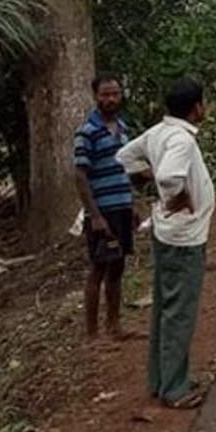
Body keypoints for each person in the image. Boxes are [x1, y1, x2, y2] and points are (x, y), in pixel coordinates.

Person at [117, 77, 215, 410]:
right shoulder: (180, 139)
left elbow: (124, 158)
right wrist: (179, 196)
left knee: (165, 307)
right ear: (196, 107)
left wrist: (149, 174)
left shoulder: (159, 132)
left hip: (168, 233)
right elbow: (170, 177)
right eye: (203, 102)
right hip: (183, 238)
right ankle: (174, 388)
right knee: (179, 312)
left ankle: (163, 378)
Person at [74, 73, 135, 341]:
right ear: (96, 96)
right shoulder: (87, 132)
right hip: (102, 211)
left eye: (115, 94)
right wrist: (94, 215)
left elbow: (126, 169)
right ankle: (92, 333)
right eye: (105, 94)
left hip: (122, 207)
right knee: (98, 268)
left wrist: (131, 204)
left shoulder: (122, 128)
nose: (110, 99)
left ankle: (114, 325)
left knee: (118, 266)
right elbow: (80, 175)